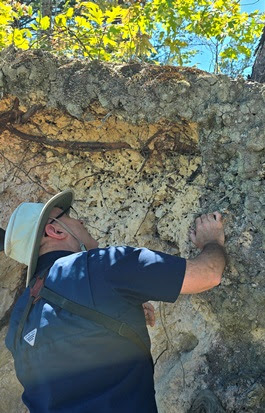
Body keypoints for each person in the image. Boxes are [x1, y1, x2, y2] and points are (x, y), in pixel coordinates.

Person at [3, 189, 226, 413]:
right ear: (55, 230)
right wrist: (212, 242)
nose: (80, 220)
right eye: (68, 215)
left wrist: (122, 309)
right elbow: (207, 274)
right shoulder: (102, 265)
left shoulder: (18, 321)